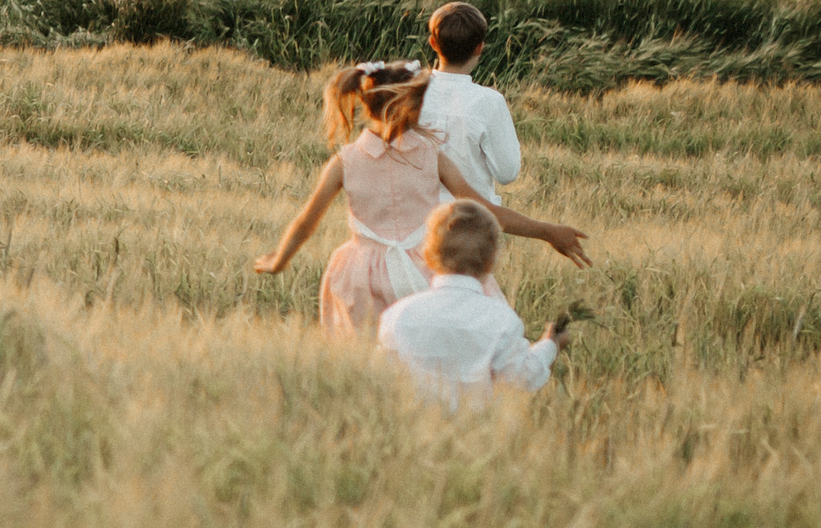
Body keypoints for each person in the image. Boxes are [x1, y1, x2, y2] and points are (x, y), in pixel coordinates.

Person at [251, 61, 589, 337]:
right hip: (428, 269)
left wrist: (279, 260)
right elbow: (484, 209)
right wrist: (546, 231)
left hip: (359, 278)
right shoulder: (431, 155)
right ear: (414, 105)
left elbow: (305, 223)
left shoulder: (344, 161)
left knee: (372, 362)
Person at [379, 199, 572, 409]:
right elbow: (523, 378)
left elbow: (382, 381)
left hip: (412, 433)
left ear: (428, 255)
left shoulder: (397, 315)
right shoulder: (502, 321)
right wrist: (550, 345)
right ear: (492, 261)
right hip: (480, 434)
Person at [418, 1, 521, 206]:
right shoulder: (490, 102)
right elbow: (507, 173)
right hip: (472, 221)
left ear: (433, 43)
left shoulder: (409, 93)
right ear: (479, 48)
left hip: (415, 223)